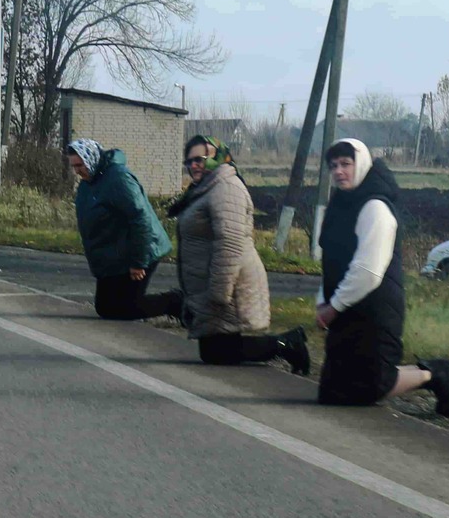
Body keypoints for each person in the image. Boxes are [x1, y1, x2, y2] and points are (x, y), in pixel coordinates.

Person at [315, 138, 449, 416]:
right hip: (346, 303)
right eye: (333, 166)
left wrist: (333, 307)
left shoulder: (375, 207)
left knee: (372, 384)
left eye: (346, 164)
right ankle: (432, 372)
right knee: (334, 392)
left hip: (375, 307)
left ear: (362, 164)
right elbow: (330, 259)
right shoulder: (341, 204)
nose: (338, 171)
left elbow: (368, 271)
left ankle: (438, 374)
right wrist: (322, 301)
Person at [170, 135, 309, 374]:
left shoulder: (225, 188)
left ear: (218, 158)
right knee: (214, 351)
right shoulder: (205, 189)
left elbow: (230, 243)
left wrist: (219, 291)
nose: (194, 165)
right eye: (189, 161)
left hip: (229, 281)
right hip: (217, 280)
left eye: (200, 159)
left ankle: (288, 344)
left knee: (218, 352)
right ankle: (287, 344)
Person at [67, 139, 181, 322]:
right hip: (114, 256)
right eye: (74, 166)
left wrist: (138, 262)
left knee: (126, 307)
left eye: (80, 165)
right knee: (105, 307)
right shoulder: (88, 184)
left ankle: (176, 303)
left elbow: (140, 218)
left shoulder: (118, 179)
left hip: (140, 250)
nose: (77, 171)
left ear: (91, 158)